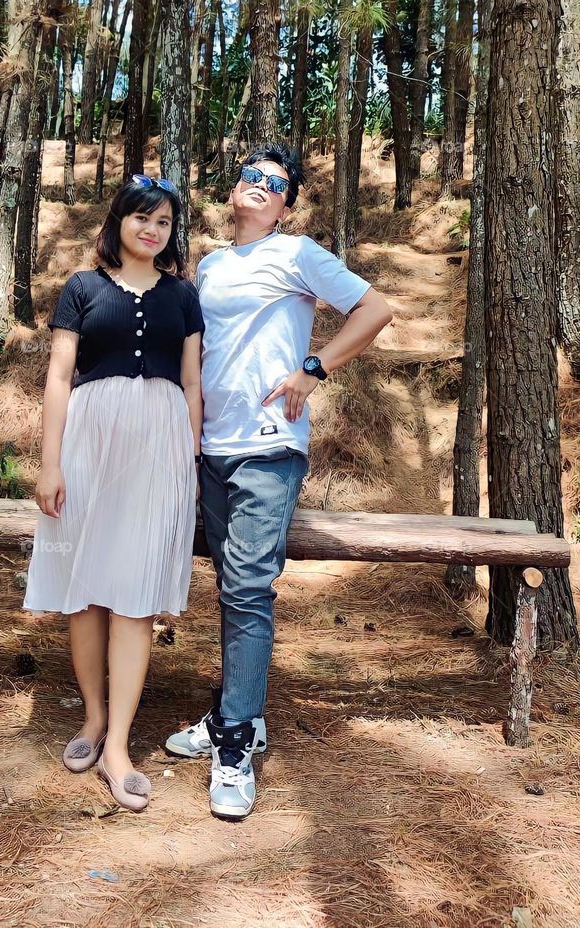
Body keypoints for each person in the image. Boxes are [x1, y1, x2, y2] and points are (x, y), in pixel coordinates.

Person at [165, 143, 394, 819]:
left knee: (247, 588)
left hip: (268, 448)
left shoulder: (296, 255)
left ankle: (234, 746)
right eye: (251, 177)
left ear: (287, 204)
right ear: (234, 190)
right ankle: (238, 714)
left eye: (275, 184)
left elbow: (376, 310)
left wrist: (313, 370)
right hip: (211, 448)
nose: (260, 187)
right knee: (229, 589)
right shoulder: (211, 266)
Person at [24, 174, 204, 813]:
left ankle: (120, 747)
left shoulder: (183, 295)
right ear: (118, 222)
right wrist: (50, 464)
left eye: (163, 222)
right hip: (89, 447)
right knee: (86, 593)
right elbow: (59, 376)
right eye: (142, 218)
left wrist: (187, 458)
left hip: (158, 453)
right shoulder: (82, 288)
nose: (152, 230)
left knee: (134, 600)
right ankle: (93, 720)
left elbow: (190, 382)